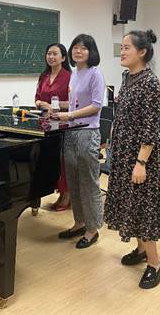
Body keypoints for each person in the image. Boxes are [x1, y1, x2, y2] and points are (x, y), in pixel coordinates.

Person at [104, 30, 160, 289]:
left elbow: (150, 128)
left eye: (127, 48)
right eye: (122, 47)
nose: (122, 52)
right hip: (123, 152)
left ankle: (155, 262)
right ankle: (141, 250)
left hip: (141, 156)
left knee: (143, 208)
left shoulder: (150, 83)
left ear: (142, 52)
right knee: (130, 204)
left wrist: (141, 163)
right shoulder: (127, 77)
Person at [53, 34, 105, 249]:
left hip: (88, 132)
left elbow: (96, 105)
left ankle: (93, 229)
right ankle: (79, 223)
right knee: (73, 181)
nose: (78, 51)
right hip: (71, 131)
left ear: (91, 52)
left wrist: (69, 115)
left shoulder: (95, 74)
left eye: (83, 48)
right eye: (75, 47)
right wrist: (56, 107)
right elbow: (75, 103)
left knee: (88, 183)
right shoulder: (75, 73)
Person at [34, 43, 72, 211]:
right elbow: (37, 98)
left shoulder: (69, 77)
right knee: (51, 160)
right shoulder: (44, 76)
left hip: (64, 123)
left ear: (63, 58)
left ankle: (67, 195)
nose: (51, 57)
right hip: (46, 124)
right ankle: (59, 192)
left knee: (63, 160)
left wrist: (53, 105)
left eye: (55, 54)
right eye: (49, 53)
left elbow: (74, 103)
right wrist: (41, 103)